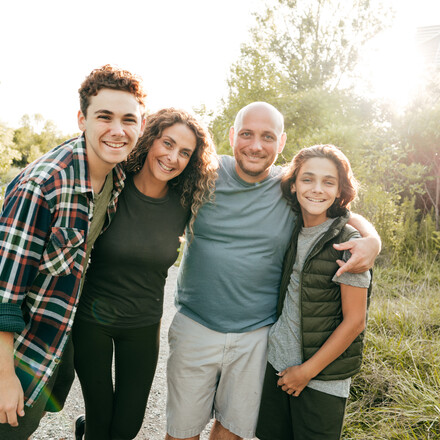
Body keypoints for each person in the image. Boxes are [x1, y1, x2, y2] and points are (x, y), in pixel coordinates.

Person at [165, 102, 381, 440]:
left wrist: (372, 239)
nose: (255, 145)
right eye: (247, 134)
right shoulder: (203, 174)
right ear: (233, 136)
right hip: (195, 325)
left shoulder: (288, 184)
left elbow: (338, 209)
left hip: (256, 336)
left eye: (267, 137)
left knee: (233, 430)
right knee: (181, 431)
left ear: (280, 143)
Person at [0, 64, 146, 439]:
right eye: (104, 117)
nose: (118, 130)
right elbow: (3, 295)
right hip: (14, 351)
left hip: (55, 335)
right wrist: (4, 377)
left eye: (129, 119)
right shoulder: (44, 185)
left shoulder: (117, 177)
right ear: (82, 119)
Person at [71, 108, 218, 440]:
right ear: (150, 139)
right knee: (100, 420)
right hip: (92, 320)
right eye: (167, 143)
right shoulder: (112, 183)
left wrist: (363, 233)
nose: (172, 157)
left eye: (185, 152)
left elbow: (265, 181)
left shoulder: (186, 201)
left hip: (142, 322)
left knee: (126, 427)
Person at [256, 144, 371, 440]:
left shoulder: (350, 242)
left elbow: (355, 321)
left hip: (322, 378)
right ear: (293, 185)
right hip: (276, 365)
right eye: (307, 179)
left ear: (340, 189)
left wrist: (306, 371)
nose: (317, 189)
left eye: (328, 181)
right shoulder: (290, 227)